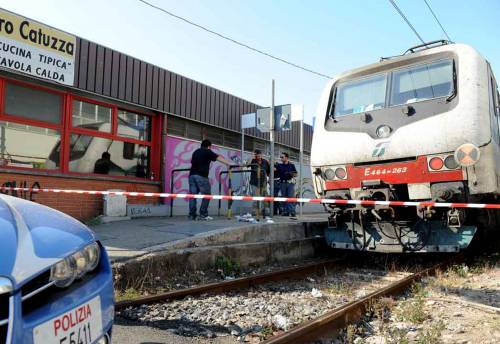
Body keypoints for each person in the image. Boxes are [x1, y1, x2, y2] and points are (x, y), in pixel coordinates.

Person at [189, 139, 232, 220]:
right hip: (201, 176)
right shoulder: (207, 151)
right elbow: (217, 157)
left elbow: (192, 163)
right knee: (207, 195)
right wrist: (228, 163)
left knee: (192, 196)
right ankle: (203, 214)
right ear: (209, 146)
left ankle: (192, 215)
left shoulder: (196, 152)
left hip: (192, 175)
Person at [249, 149, 270, 217]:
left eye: (259, 154)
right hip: (254, 182)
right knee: (256, 197)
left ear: (261, 155)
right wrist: (251, 157)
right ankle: (255, 211)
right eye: (256, 155)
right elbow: (247, 165)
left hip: (263, 182)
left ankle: (265, 211)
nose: (258, 156)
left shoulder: (265, 161)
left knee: (265, 197)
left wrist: (268, 180)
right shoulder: (253, 160)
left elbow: (268, 171)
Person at [275, 152, 297, 218]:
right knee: (284, 197)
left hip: (290, 183)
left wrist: (292, 174)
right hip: (282, 183)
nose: (281, 158)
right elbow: (273, 169)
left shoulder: (291, 165)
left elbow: (296, 174)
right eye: (281, 157)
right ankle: (286, 211)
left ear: (286, 158)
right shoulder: (279, 165)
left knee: (290, 197)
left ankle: (292, 211)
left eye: (282, 157)